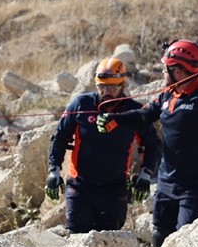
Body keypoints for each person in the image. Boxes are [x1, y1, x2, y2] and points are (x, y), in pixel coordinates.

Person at [97, 39, 198, 247]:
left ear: (178, 71)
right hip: (167, 182)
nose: (162, 73)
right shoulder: (168, 95)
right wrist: (116, 120)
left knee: (188, 240)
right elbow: (144, 115)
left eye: (165, 68)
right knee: (160, 235)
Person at [46, 58, 160, 234]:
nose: (106, 92)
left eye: (112, 88)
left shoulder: (134, 111)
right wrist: (53, 170)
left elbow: (152, 144)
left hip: (114, 190)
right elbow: (60, 137)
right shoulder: (81, 104)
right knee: (77, 240)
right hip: (80, 187)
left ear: (123, 85)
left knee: (109, 244)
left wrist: (145, 174)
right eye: (102, 87)